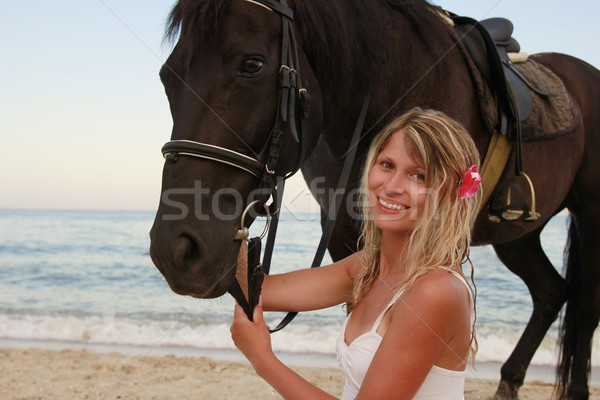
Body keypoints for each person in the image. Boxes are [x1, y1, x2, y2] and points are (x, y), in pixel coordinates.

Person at [230, 108, 482, 400]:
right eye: (387, 165)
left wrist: (263, 360)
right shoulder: (366, 267)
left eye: (419, 175)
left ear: (450, 192)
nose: (391, 186)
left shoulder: (435, 291)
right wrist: (225, 213)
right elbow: (256, 289)